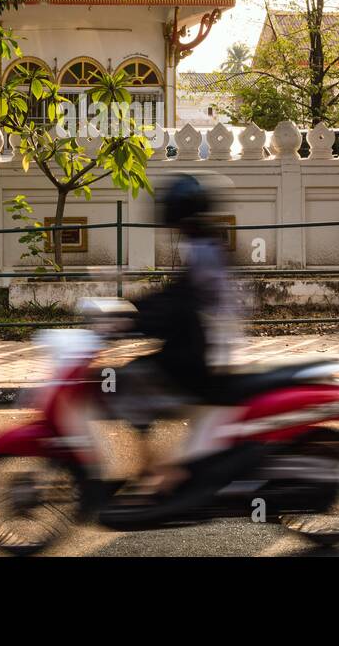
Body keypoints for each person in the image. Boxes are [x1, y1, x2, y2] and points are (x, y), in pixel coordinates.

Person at [112, 172, 243, 496]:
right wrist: (136, 308)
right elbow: (179, 296)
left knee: (129, 382)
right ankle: (167, 468)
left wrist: (134, 318)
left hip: (205, 350)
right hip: (204, 342)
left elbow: (181, 303)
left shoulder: (202, 249)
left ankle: (163, 472)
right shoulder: (204, 243)